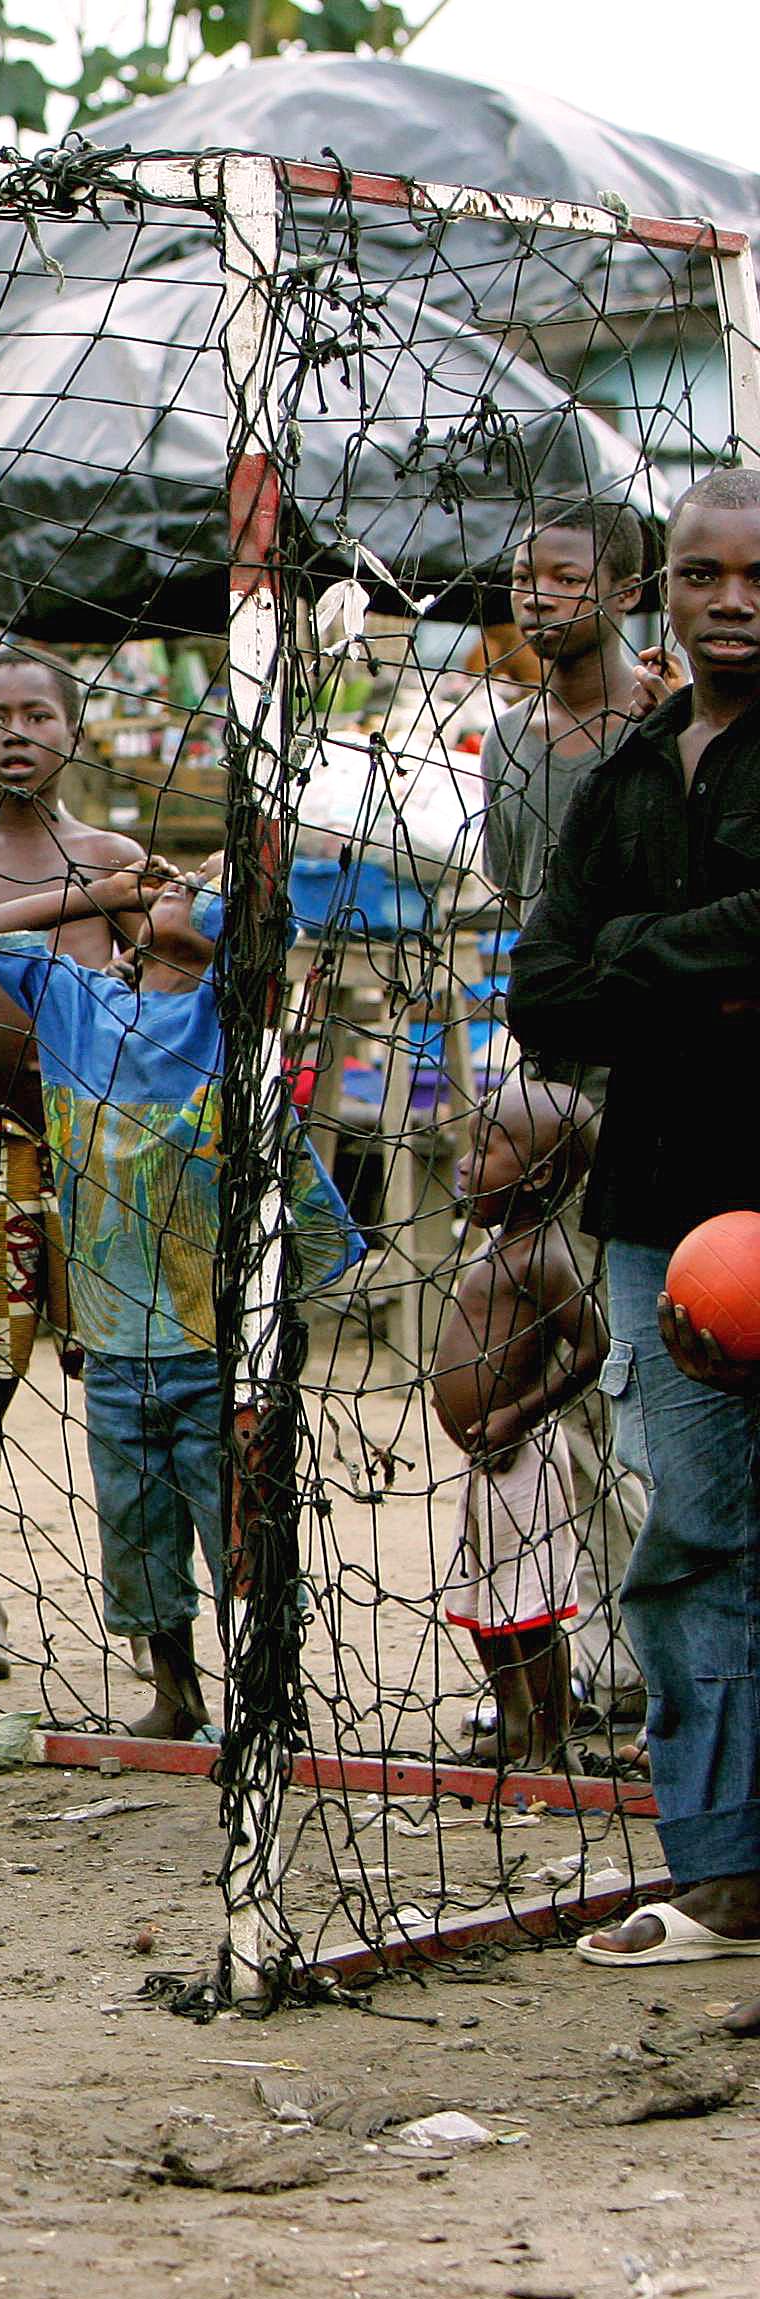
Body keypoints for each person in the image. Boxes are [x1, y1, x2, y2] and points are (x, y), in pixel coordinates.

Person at [508, 470, 760, 1985]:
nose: (734, 598)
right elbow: (542, 987)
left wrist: (638, 957)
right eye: (705, 574)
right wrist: (695, 966)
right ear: (663, 590)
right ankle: (727, 1870)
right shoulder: (633, 766)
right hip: (662, 1209)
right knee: (691, 1537)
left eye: (758, 575)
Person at [0, 856, 360, 1739]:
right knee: (134, 1534)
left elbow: (319, 1230)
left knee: (243, 1535)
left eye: (213, 880)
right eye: (180, 875)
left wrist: (264, 1316)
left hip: (220, 1354)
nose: (182, 880)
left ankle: (264, 1699)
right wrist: (105, 893)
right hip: (112, 1346)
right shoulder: (77, 1006)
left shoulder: (232, 1030)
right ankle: (175, 1696)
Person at [0, 648, 141, 1686]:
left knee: (130, 1383)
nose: (17, 733)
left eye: (38, 715)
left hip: (101, 1150)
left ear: (75, 730)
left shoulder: (112, 856)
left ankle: (148, 1606)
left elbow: (153, 984)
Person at [432, 1081, 615, 1774]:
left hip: (524, 1459)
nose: (465, 1161)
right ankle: (511, 1724)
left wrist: (519, 1413)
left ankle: (550, 1736)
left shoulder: (545, 1256)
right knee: (483, 1602)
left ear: (538, 1175)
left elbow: (594, 1348)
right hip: (482, 1461)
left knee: (530, 1609)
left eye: (487, 1147)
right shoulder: (497, 1244)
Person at [485, 501, 655, 920]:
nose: (536, 599)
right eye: (523, 578)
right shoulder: (506, 739)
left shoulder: (658, 727)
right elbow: (515, 891)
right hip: (537, 983)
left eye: (567, 580)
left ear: (628, 592)